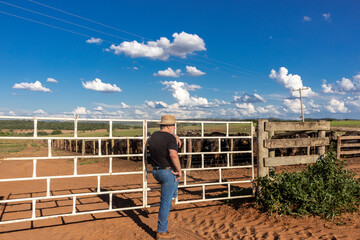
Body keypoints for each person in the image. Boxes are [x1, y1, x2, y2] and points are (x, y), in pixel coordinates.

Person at [148, 115, 182, 240]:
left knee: (174, 182)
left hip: (155, 171)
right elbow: (173, 155)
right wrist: (179, 170)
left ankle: (173, 195)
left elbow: (163, 141)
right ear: (169, 126)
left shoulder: (154, 136)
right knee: (165, 203)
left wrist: (174, 137)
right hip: (166, 172)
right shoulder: (170, 138)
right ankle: (161, 232)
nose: (174, 128)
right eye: (174, 126)